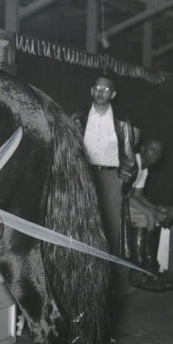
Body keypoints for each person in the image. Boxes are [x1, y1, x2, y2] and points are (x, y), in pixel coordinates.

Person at [73, 75, 136, 291]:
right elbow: (70, 150)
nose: (101, 92)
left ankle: (111, 284)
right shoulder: (78, 117)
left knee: (111, 230)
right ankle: (81, 279)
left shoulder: (121, 120)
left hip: (110, 178)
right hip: (84, 176)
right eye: (97, 88)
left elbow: (129, 159)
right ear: (91, 91)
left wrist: (121, 182)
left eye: (106, 89)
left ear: (113, 94)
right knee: (81, 225)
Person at [127, 138, 173, 292]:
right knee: (146, 217)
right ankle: (137, 273)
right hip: (116, 202)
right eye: (152, 149)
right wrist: (153, 212)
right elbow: (127, 197)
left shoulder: (144, 169)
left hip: (127, 201)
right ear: (142, 148)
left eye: (159, 151)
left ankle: (148, 268)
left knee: (151, 218)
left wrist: (157, 210)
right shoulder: (133, 163)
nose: (156, 154)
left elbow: (139, 196)